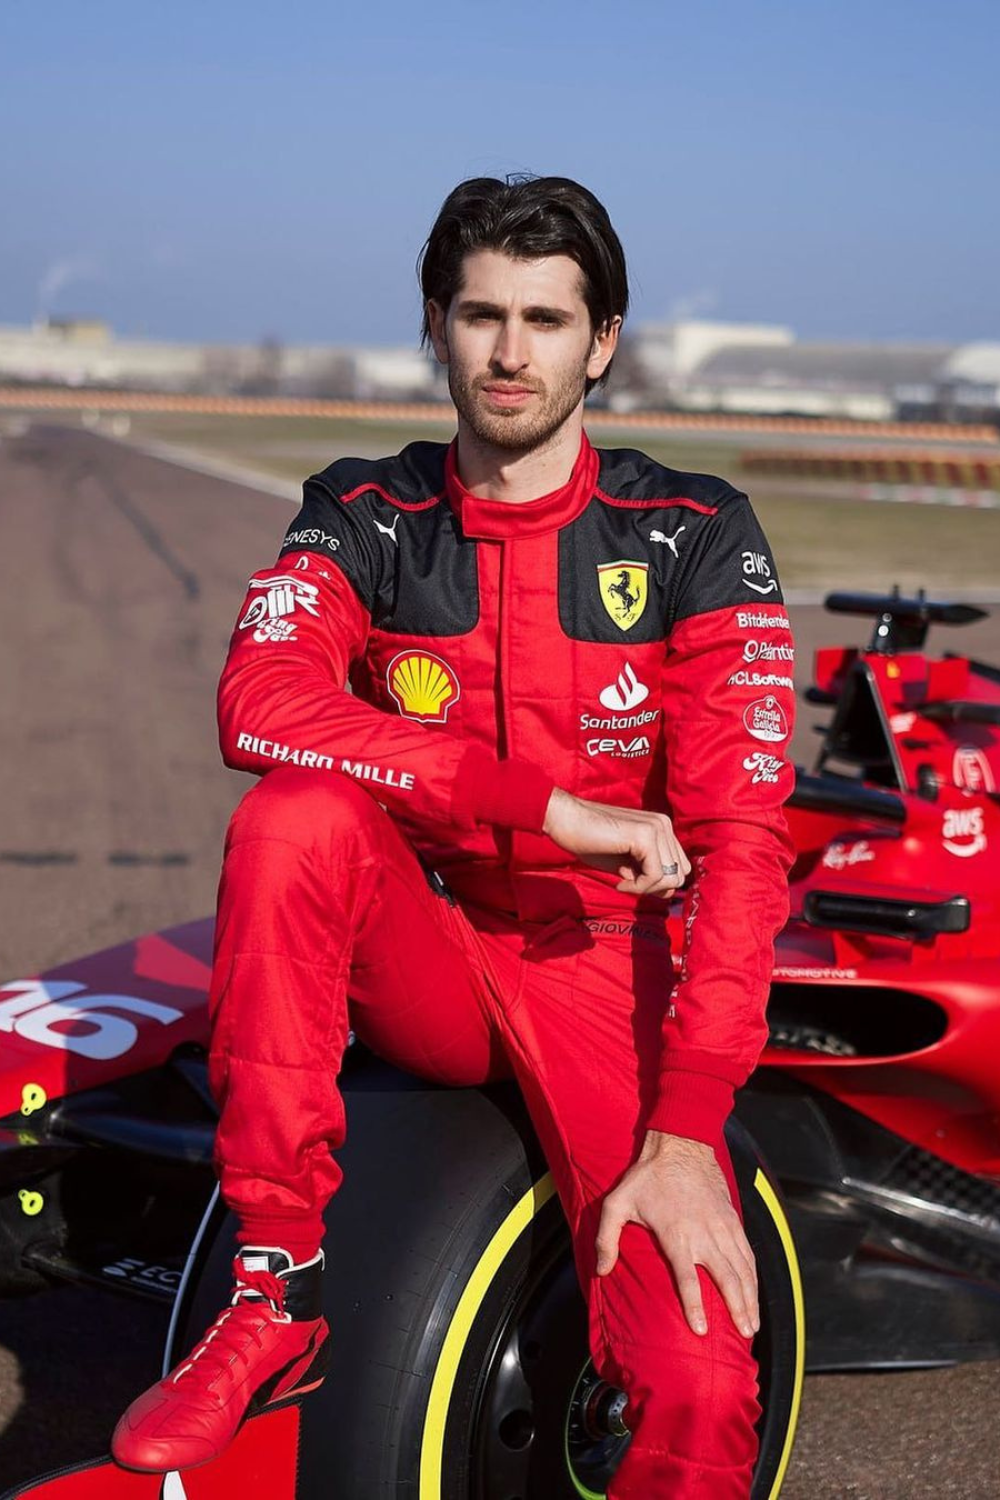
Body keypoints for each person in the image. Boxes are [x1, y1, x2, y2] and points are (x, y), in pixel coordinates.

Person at [112, 174, 795, 1497]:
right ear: (435, 324)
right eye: (482, 314)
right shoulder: (368, 513)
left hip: (610, 966)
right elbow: (258, 703)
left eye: (547, 318)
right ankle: (270, 1290)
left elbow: (746, 845)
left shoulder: (698, 535)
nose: (510, 351)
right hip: (430, 942)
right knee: (297, 812)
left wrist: (691, 1130)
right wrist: (542, 803)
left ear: (603, 343)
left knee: (700, 1379)